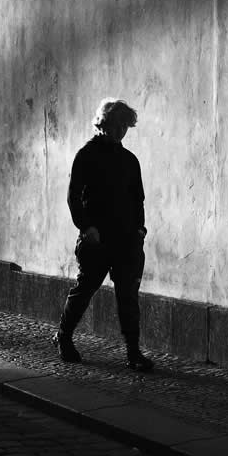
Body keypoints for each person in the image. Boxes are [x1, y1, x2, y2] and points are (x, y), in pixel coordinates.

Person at [54, 98, 153, 371]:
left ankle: (133, 353)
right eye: (116, 124)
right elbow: (73, 196)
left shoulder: (129, 160)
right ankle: (63, 336)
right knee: (85, 289)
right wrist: (86, 228)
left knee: (128, 296)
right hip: (96, 239)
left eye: (125, 126)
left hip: (126, 240)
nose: (121, 130)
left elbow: (138, 199)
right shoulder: (86, 154)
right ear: (104, 123)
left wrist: (140, 229)